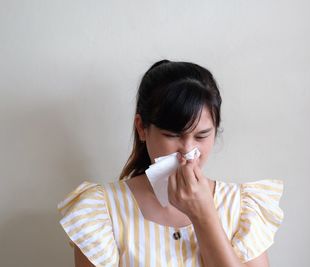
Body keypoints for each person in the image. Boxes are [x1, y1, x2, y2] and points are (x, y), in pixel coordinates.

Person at [57, 60, 284, 267]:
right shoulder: (101, 211)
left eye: (202, 136)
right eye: (172, 135)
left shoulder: (242, 207)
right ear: (142, 128)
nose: (187, 151)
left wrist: (204, 216)